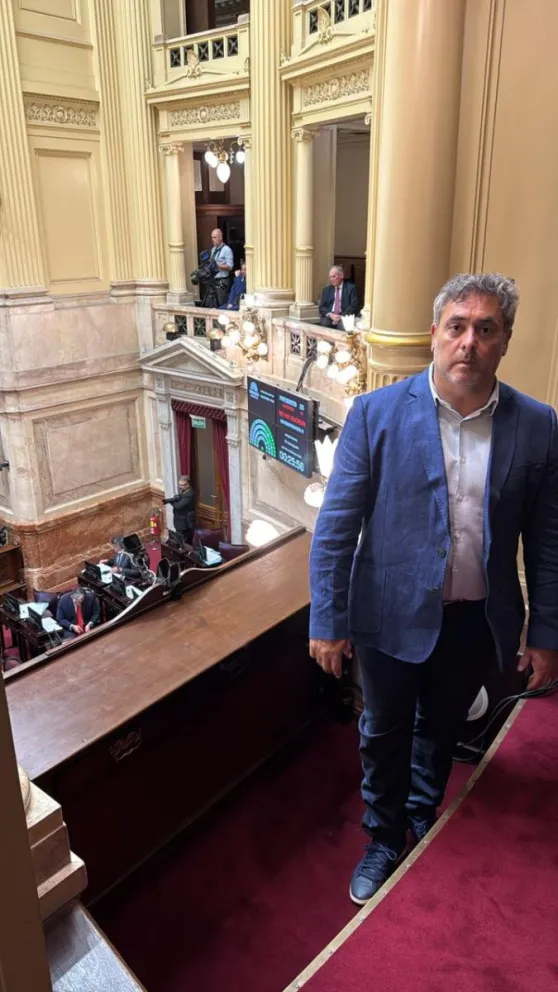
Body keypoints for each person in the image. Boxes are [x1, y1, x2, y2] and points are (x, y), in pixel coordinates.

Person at [309, 272, 558, 906]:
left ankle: (423, 816)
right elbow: (336, 528)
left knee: (442, 729)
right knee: (384, 730)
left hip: (476, 620)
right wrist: (326, 620)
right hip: (388, 616)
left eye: (485, 329)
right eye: (457, 326)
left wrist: (545, 634)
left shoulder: (539, 427)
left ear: (504, 341)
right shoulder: (375, 413)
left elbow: (549, 544)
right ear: (434, 336)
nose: (469, 342)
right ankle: (383, 837)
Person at [318, 265, 360, 330]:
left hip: (344, 316)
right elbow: (322, 307)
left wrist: (341, 316)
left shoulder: (351, 288)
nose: (331, 279)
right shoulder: (326, 290)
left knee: (344, 327)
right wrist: (331, 315)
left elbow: (354, 305)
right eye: (330, 277)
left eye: (334, 276)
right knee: (325, 324)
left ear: (341, 276)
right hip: (330, 316)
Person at [163, 475, 196, 544]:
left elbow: (178, 506)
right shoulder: (183, 491)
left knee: (183, 542)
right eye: (180, 485)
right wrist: (175, 499)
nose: (181, 487)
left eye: (183, 485)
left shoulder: (189, 494)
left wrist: (171, 501)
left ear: (188, 484)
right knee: (180, 540)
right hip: (179, 521)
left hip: (184, 523)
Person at [209, 229, 234, 306]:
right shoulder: (213, 249)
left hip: (222, 281)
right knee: (212, 304)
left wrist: (217, 265)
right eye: (212, 237)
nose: (213, 240)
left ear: (220, 238)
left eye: (215, 237)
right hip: (213, 280)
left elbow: (230, 267)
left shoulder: (227, 250)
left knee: (222, 304)